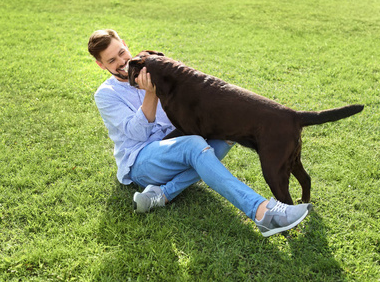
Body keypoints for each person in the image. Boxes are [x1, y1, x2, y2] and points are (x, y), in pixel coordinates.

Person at [88, 29, 312, 237]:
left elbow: (192, 107)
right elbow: (137, 134)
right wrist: (151, 93)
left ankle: (163, 194)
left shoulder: (153, 66)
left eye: (121, 52)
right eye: (111, 60)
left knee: (225, 135)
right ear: (101, 65)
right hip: (142, 162)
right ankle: (263, 213)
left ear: (126, 45)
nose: (122, 61)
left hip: (177, 149)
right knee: (193, 145)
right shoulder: (106, 95)